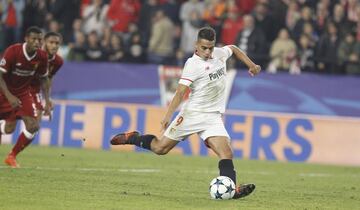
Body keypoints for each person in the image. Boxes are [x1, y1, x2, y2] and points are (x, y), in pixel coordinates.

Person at [110, 27, 261, 199]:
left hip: (212, 117)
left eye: (211, 47)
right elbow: (180, 92)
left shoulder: (219, 54)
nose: (208, 51)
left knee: (226, 153)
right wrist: (167, 115)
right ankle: (133, 137)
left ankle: (231, 189)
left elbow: (233, 48)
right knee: (160, 148)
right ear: (196, 45)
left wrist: (252, 65)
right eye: (204, 47)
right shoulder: (193, 65)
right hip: (192, 115)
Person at [0, 26, 50, 168]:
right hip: (3, 91)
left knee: (33, 126)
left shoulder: (42, 56)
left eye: (39, 40)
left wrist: (47, 101)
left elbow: (44, 78)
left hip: (23, 94)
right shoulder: (13, 51)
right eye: (33, 39)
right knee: (9, 129)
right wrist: (9, 96)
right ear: (26, 39)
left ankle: (11, 156)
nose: (37, 42)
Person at [30, 31, 64, 123]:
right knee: (9, 125)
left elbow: (49, 78)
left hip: (34, 90)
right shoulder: (34, 53)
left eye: (57, 43)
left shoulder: (58, 61)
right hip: (18, 87)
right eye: (51, 42)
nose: (54, 46)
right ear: (44, 42)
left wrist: (48, 99)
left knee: (35, 125)